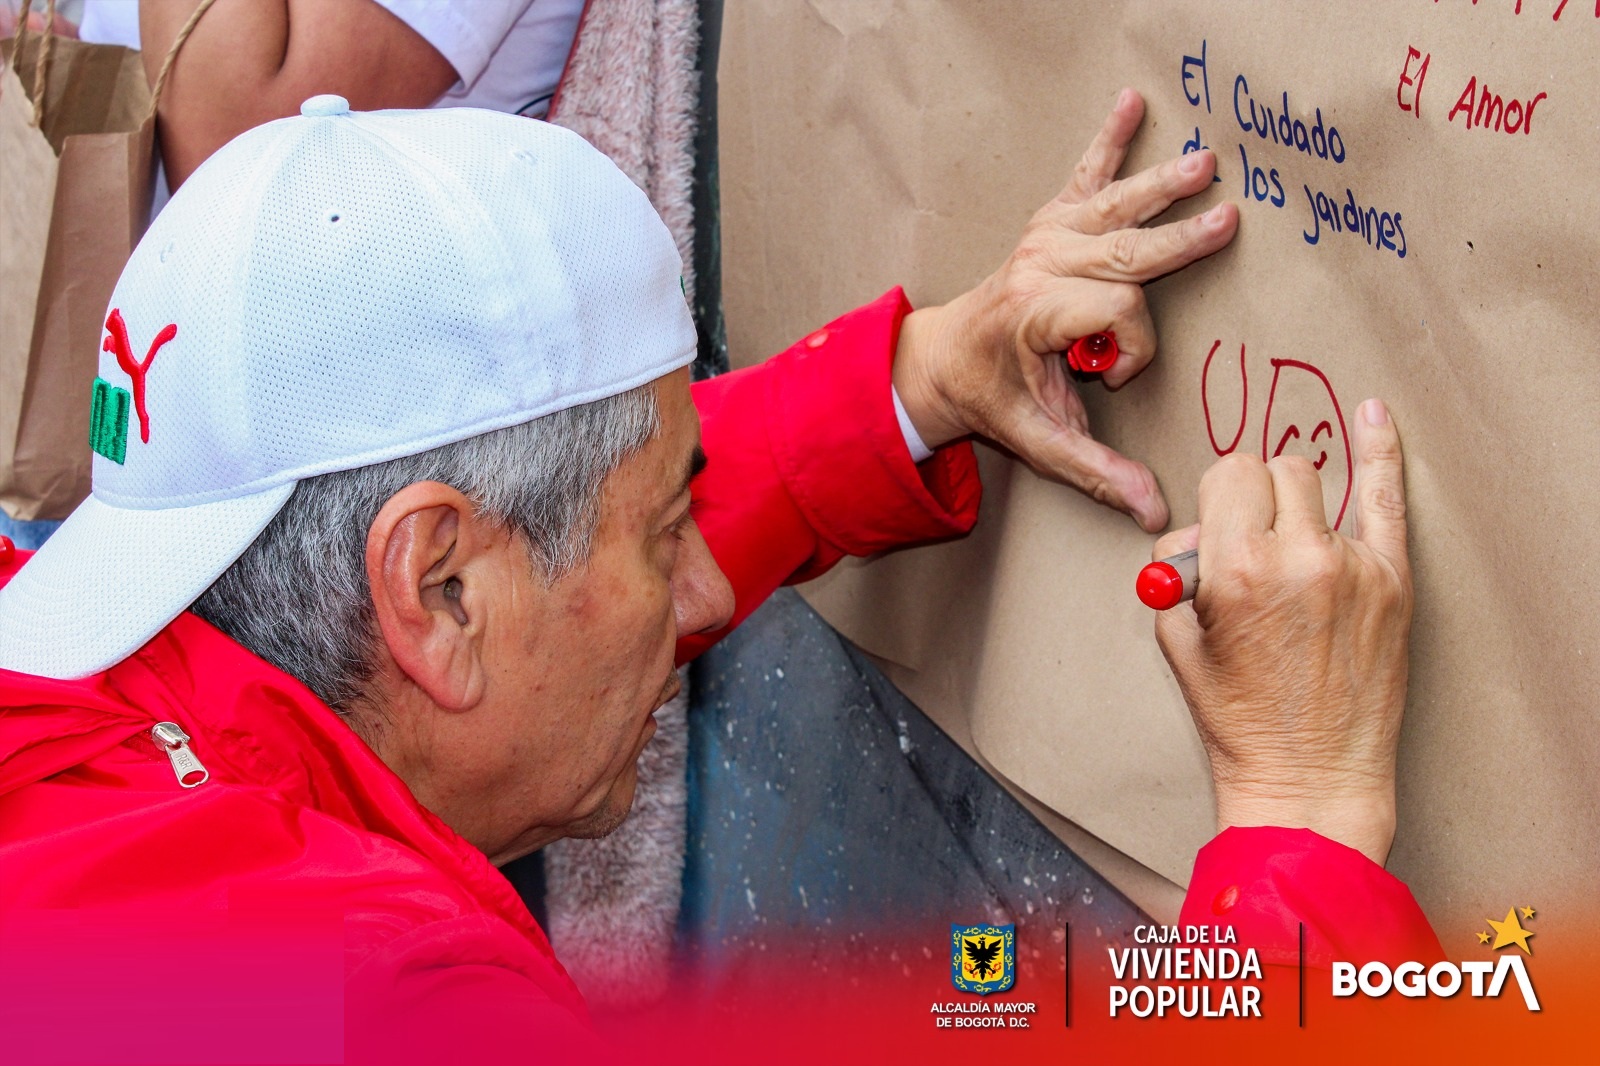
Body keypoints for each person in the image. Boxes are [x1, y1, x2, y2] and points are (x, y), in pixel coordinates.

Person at [0, 95, 1434, 1063]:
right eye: (661, 530)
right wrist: (1300, 839)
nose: (698, 600)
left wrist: (908, 387)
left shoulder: (69, 658)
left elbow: (539, 555)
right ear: (434, 590)